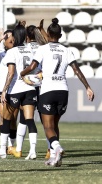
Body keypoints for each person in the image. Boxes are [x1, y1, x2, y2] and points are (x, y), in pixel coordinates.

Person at [20, 18, 94, 167]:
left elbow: (33, 65)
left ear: (48, 34)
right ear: (60, 35)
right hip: (63, 91)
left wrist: (23, 72)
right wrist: (87, 87)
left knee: (47, 127)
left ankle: (57, 148)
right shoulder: (67, 50)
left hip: (48, 90)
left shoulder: (43, 49)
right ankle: (55, 157)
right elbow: (76, 70)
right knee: (55, 125)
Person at [0, 22, 38, 161]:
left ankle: (3, 149)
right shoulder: (31, 50)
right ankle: (33, 151)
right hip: (30, 89)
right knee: (29, 120)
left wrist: (4, 90)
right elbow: (37, 69)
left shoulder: (12, 51)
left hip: (16, 89)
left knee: (6, 118)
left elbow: (11, 73)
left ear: (15, 38)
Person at [11, 21, 48, 160]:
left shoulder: (24, 47)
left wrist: (17, 26)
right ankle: (50, 147)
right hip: (41, 84)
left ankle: (19, 149)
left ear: (26, 36)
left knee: (24, 118)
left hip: (27, 84)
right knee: (46, 120)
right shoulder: (42, 47)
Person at [0, 28, 18, 158]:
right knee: (3, 117)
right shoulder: (1, 54)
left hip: (15, 89)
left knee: (12, 119)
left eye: (11, 38)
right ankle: (4, 146)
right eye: (7, 38)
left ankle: (12, 146)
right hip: (1, 89)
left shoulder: (18, 53)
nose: (10, 40)